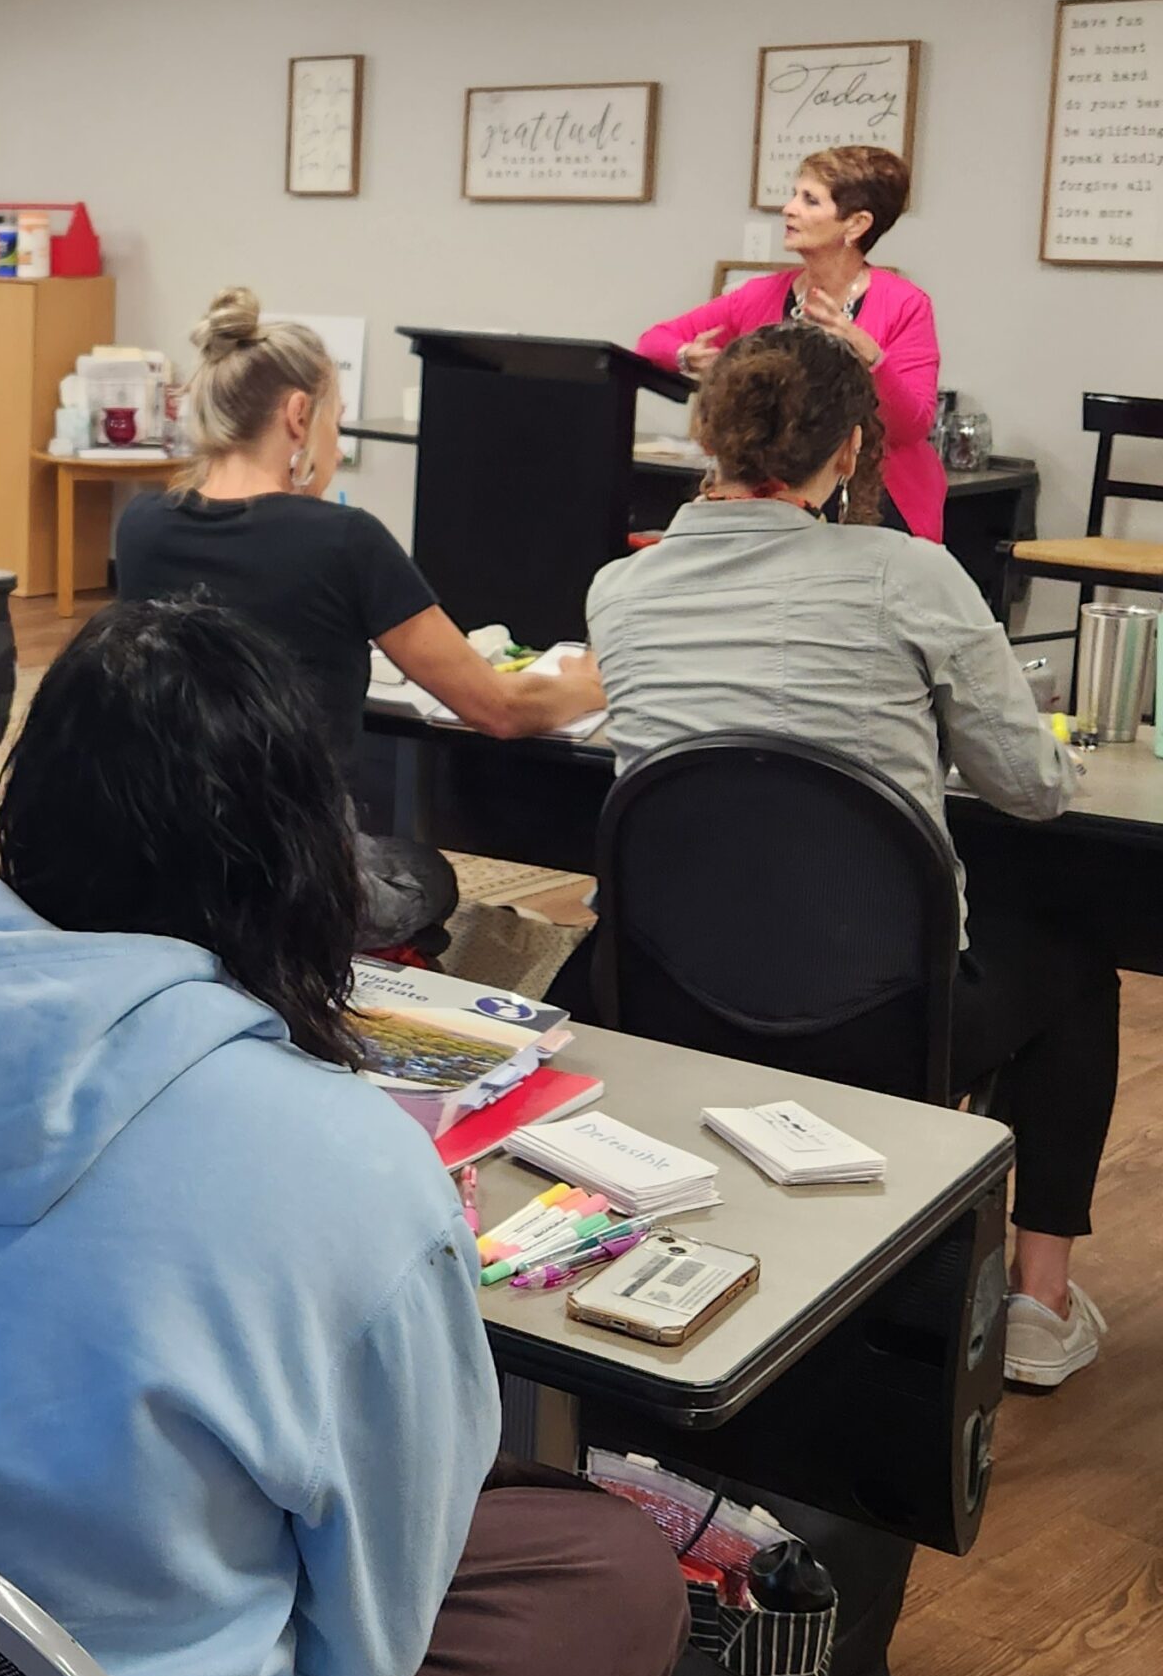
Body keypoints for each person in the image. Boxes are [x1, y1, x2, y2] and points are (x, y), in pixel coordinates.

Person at [0, 599, 686, 1676]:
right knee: (612, 1574)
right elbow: (373, 1644)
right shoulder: (347, 1157)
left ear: (25, 822)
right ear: (302, 858)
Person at [584, 322, 1109, 1391]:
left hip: (666, 997)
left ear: (707, 436)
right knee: (1075, 963)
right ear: (851, 452)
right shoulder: (910, 574)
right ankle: (1039, 1307)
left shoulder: (618, 592)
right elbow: (1028, 788)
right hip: (877, 1018)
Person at [115, 290, 604, 952]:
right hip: (295, 874)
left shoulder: (140, 527)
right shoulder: (343, 541)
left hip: (161, 857)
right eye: (333, 422)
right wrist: (594, 682)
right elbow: (498, 709)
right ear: (296, 415)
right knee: (427, 872)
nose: (335, 442)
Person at [636, 145, 942, 539]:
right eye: (795, 194)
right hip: (770, 500)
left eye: (809, 200)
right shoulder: (758, 295)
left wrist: (868, 355)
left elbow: (911, 427)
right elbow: (652, 341)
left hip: (875, 503)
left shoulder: (906, 305)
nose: (788, 208)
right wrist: (686, 356)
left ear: (856, 224)